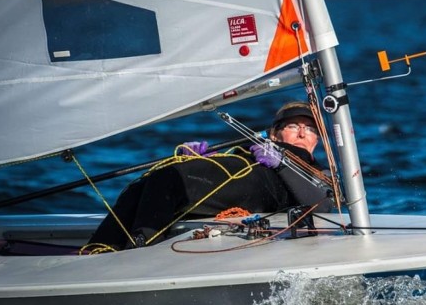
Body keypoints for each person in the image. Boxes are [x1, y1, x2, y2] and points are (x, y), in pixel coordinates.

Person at [88, 101, 334, 249]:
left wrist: (281, 164)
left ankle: (141, 249)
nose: (302, 134)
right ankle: (99, 250)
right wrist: (197, 161)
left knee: (167, 180)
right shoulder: (255, 149)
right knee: (145, 184)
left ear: (317, 140)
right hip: (233, 181)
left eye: (311, 130)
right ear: (273, 134)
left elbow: (322, 205)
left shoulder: (316, 169)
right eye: (293, 127)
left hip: (261, 191)